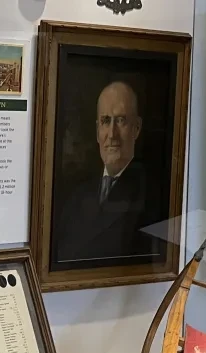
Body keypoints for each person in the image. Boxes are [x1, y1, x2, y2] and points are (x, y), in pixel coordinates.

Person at [54, 80, 164, 266]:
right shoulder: (77, 196)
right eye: (106, 121)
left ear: (136, 128)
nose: (112, 134)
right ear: (98, 131)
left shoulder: (152, 196)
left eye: (120, 121)